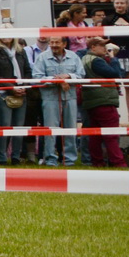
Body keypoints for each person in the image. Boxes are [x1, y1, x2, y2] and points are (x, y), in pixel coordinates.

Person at [0, 33, 33, 165]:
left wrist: (24, 86)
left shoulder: (20, 51)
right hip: (3, 94)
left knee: (19, 127)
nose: (6, 36)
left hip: (22, 92)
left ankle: (16, 157)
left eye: (9, 33)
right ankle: (2, 158)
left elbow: (28, 71)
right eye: (3, 34)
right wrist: (11, 88)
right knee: (4, 126)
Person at [36, 36, 84, 167]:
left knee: (70, 129)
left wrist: (68, 76)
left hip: (70, 97)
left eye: (57, 42)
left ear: (64, 44)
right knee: (51, 130)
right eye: (52, 42)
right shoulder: (42, 57)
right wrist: (57, 80)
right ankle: (50, 159)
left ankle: (69, 160)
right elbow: (37, 77)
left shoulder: (74, 56)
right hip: (50, 98)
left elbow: (81, 74)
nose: (53, 45)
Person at [79, 39, 126, 169]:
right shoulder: (97, 61)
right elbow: (115, 74)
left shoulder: (85, 59)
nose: (106, 49)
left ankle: (97, 162)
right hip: (104, 100)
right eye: (103, 46)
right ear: (93, 47)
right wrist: (114, 59)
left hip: (91, 100)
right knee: (111, 134)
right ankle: (118, 162)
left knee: (95, 135)